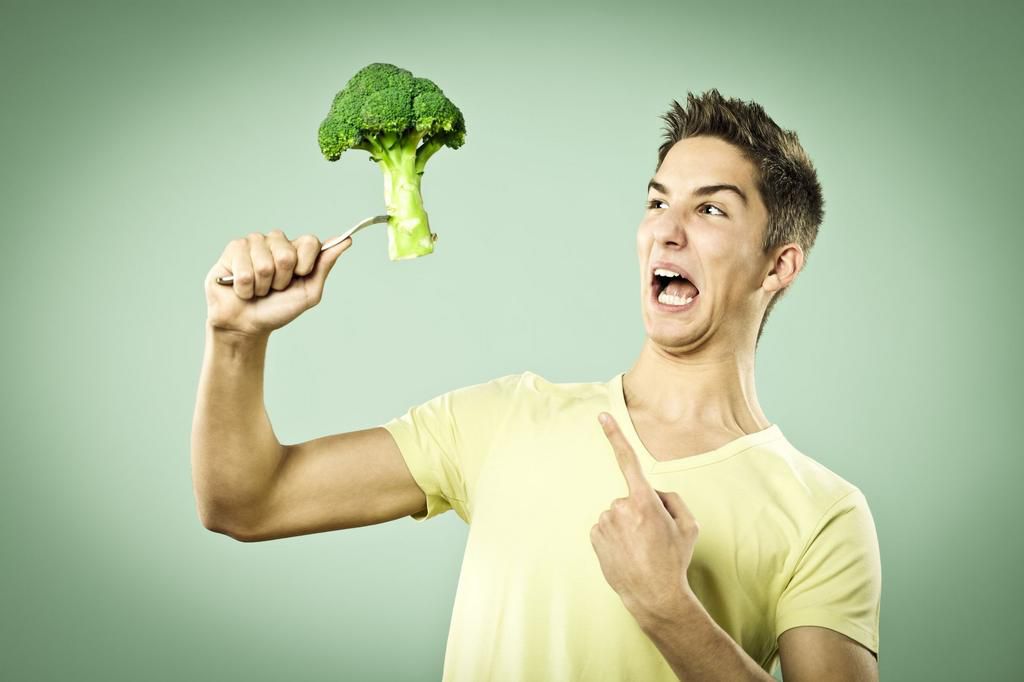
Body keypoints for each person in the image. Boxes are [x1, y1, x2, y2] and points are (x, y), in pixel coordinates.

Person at [192, 88, 881, 682]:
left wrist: (669, 610)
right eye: (657, 201)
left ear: (778, 266)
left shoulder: (823, 513)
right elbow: (246, 502)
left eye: (710, 211)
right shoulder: (504, 418)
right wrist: (235, 340)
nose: (665, 231)